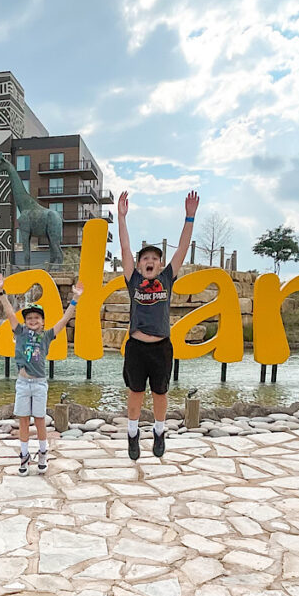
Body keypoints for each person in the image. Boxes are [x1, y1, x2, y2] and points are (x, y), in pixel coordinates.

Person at [118, 189, 199, 460]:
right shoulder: (132, 280)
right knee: (136, 393)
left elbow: (183, 248)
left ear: (161, 264)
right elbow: (125, 248)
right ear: (139, 266)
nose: (149, 261)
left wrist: (189, 217)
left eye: (154, 258)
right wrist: (122, 217)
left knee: (160, 393)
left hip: (161, 347)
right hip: (136, 347)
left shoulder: (166, 279)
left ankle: (159, 431)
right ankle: (132, 434)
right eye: (145, 259)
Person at [0, 276, 83, 475]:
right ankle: (24, 456)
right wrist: (1, 292)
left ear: (42, 322)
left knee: (40, 419)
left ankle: (43, 452)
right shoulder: (20, 333)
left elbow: (64, 320)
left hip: (40, 384)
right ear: (25, 321)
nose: (33, 321)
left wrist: (75, 299)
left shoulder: (47, 336)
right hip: (23, 384)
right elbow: (9, 312)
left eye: (36, 318)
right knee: (23, 420)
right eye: (29, 318)